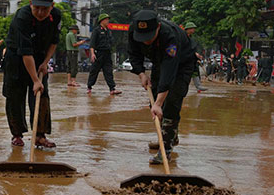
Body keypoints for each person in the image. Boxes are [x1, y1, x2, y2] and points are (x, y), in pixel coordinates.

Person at [128, 10, 195, 164]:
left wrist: (159, 103)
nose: (145, 41)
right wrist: (141, 74)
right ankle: (170, 136)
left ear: (158, 27)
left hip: (182, 64)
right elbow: (133, 53)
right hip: (159, 63)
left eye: (149, 37)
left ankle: (165, 149)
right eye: (142, 37)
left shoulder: (170, 36)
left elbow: (169, 71)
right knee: (155, 105)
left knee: (170, 103)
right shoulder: (133, 30)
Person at [2, 0, 60, 148]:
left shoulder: (56, 16)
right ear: (30, 4)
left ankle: (39, 135)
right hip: (16, 58)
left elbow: (54, 42)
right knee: (14, 96)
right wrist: (35, 79)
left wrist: (45, 62)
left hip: (40, 56)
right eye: (37, 8)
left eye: (45, 9)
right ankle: (17, 135)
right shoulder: (23, 17)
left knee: (41, 95)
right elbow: (25, 52)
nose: (41, 13)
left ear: (52, 6)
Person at [86, 13, 122, 95]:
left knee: (108, 71)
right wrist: (92, 54)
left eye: (108, 19)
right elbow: (92, 44)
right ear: (101, 21)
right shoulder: (96, 31)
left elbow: (111, 42)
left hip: (107, 54)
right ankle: (89, 87)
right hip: (98, 54)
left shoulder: (109, 31)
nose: (108, 21)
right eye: (106, 19)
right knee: (94, 71)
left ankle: (112, 89)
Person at [183, 22, 207, 92]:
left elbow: (193, 48)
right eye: (193, 28)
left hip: (192, 59)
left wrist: (197, 55)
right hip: (185, 59)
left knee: (195, 71)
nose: (194, 30)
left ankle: (198, 86)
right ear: (188, 29)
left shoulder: (191, 38)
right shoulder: (183, 37)